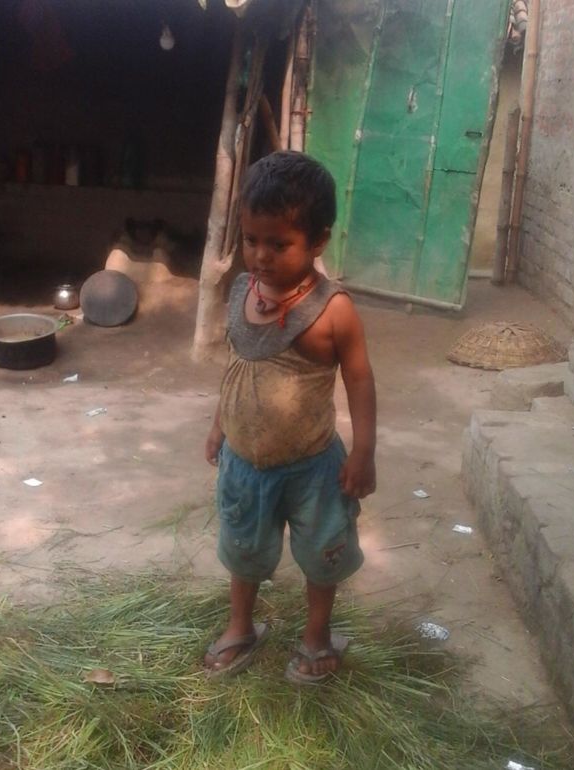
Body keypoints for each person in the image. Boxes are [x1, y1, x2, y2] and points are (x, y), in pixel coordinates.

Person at [204, 150, 376, 684]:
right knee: (243, 549)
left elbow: (360, 379)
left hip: (312, 467)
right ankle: (241, 627)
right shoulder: (242, 290)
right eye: (251, 240)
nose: (261, 255)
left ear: (318, 240)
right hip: (244, 463)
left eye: (279, 244)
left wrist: (365, 453)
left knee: (323, 552)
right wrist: (218, 425)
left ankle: (317, 636)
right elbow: (237, 365)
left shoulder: (333, 310)